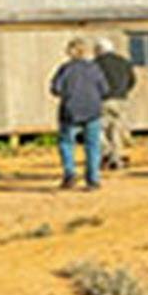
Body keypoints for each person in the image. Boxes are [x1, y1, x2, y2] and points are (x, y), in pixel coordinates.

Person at [50, 38, 109, 189]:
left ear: (69, 52)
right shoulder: (94, 68)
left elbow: (56, 89)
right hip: (92, 110)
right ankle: (93, 179)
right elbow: (105, 89)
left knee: (66, 143)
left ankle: (70, 173)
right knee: (93, 145)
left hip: (70, 111)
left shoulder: (65, 69)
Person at [94, 35, 136, 170]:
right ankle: (116, 158)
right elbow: (132, 80)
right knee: (116, 130)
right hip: (121, 100)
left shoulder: (95, 63)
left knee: (98, 129)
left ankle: (106, 153)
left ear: (99, 50)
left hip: (102, 100)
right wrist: (124, 91)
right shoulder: (124, 62)